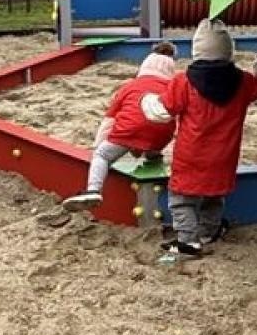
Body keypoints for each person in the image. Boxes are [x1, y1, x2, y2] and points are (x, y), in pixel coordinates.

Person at [143, 19, 257, 257]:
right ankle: (208, 232)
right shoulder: (243, 81)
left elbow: (160, 111)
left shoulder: (184, 82)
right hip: (224, 156)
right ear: (228, 50)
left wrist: (146, 100)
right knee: (214, 196)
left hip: (191, 155)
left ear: (196, 50)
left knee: (181, 199)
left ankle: (187, 240)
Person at [61, 42, 177, 210]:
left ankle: (93, 190)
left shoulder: (129, 86)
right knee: (154, 131)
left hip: (129, 131)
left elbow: (110, 120)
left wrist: (97, 144)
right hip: (162, 134)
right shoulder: (173, 88)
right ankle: (153, 155)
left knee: (102, 155)